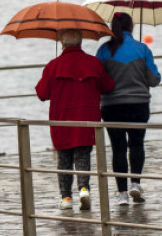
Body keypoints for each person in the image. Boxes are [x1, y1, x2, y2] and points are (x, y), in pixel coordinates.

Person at [36, 29, 115, 211]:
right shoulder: (93, 63)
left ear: (62, 44)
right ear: (80, 43)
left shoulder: (53, 65)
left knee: (63, 158)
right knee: (82, 155)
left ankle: (66, 198)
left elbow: (42, 93)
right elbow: (108, 86)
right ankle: (84, 189)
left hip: (61, 119)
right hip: (86, 118)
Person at [96, 11, 161, 206]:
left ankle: (122, 193)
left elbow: (99, 79)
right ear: (131, 27)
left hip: (111, 106)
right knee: (136, 143)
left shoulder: (104, 50)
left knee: (118, 148)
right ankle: (135, 183)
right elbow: (154, 80)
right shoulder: (142, 49)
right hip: (138, 104)